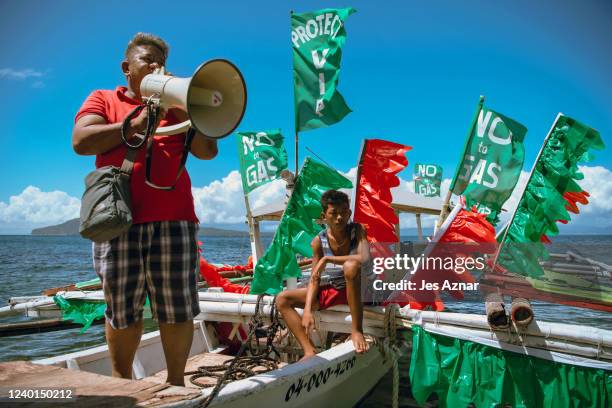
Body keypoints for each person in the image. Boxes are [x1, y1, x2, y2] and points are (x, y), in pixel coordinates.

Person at [72, 33, 218, 386]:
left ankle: (176, 382)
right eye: (147, 60)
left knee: (176, 308)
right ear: (127, 67)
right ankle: (122, 382)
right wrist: (136, 123)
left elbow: (207, 151)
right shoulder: (105, 99)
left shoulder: (178, 107)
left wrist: (182, 107)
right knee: (122, 310)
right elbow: (81, 140)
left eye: (160, 61)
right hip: (119, 219)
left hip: (175, 219)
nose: (156, 66)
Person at [276, 190, 370, 359]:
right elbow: (314, 278)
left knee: (351, 266)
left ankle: (357, 330)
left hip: (361, 290)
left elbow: (364, 257)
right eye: (334, 213)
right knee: (282, 299)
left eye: (343, 212)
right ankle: (309, 350)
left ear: (349, 213)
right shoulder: (319, 241)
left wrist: (328, 259)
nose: (339, 218)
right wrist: (307, 310)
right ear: (324, 215)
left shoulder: (358, 229)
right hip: (336, 289)